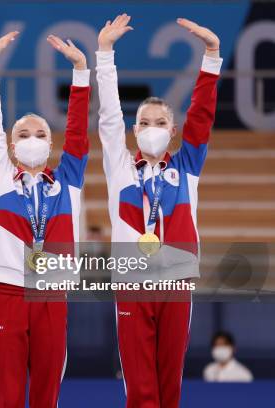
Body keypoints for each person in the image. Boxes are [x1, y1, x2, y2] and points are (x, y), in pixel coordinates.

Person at [95, 14, 223, 407]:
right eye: (144, 122)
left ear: (172, 130)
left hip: (176, 279)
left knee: (170, 380)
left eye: (161, 122)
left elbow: (201, 117)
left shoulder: (186, 169)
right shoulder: (120, 168)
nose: (152, 127)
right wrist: (104, 54)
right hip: (132, 283)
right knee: (140, 385)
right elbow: (109, 118)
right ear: (135, 131)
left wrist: (212, 55)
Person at [0, 31, 90, 407]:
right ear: (12, 147)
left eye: (40, 133)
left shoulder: (68, 181)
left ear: (51, 144)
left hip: (52, 294)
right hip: (9, 294)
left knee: (47, 394)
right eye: (23, 134)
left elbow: (78, 133)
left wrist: (80, 72)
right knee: (8, 394)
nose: (31, 139)